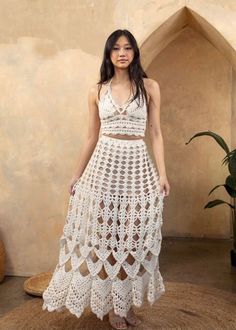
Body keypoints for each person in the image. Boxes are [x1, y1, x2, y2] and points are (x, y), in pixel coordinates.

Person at [42, 29, 170, 330]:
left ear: (135, 52)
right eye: (116, 48)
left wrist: (162, 173)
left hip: (137, 167)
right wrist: (76, 175)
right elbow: (91, 137)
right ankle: (113, 307)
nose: (122, 53)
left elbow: (155, 133)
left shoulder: (150, 87)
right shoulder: (97, 90)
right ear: (109, 54)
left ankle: (126, 305)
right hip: (103, 167)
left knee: (134, 241)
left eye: (127, 48)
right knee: (106, 240)